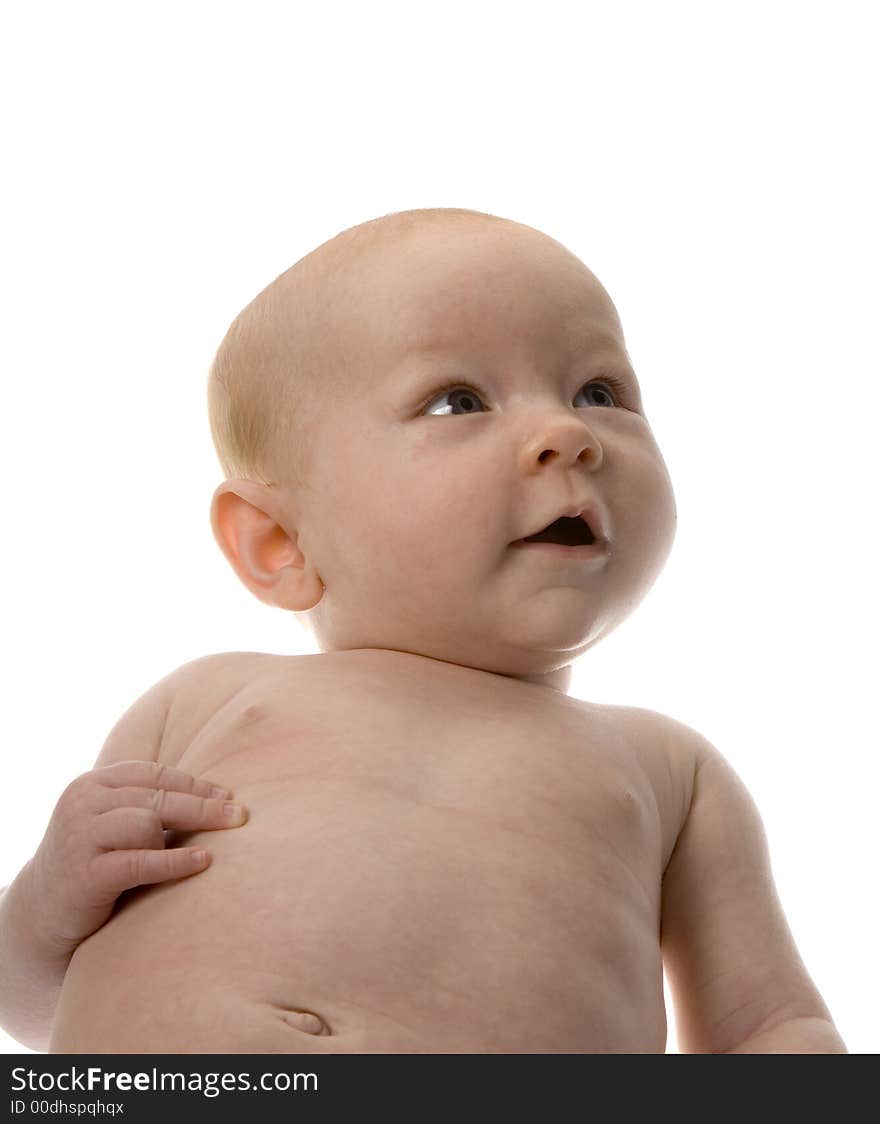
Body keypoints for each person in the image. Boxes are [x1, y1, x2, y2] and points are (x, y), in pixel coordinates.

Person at [0, 208, 847, 1053]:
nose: (568, 436)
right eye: (458, 401)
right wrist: (46, 901)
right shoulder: (206, 698)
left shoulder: (672, 773)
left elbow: (770, 1026)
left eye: (600, 391)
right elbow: (35, 1009)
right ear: (279, 543)